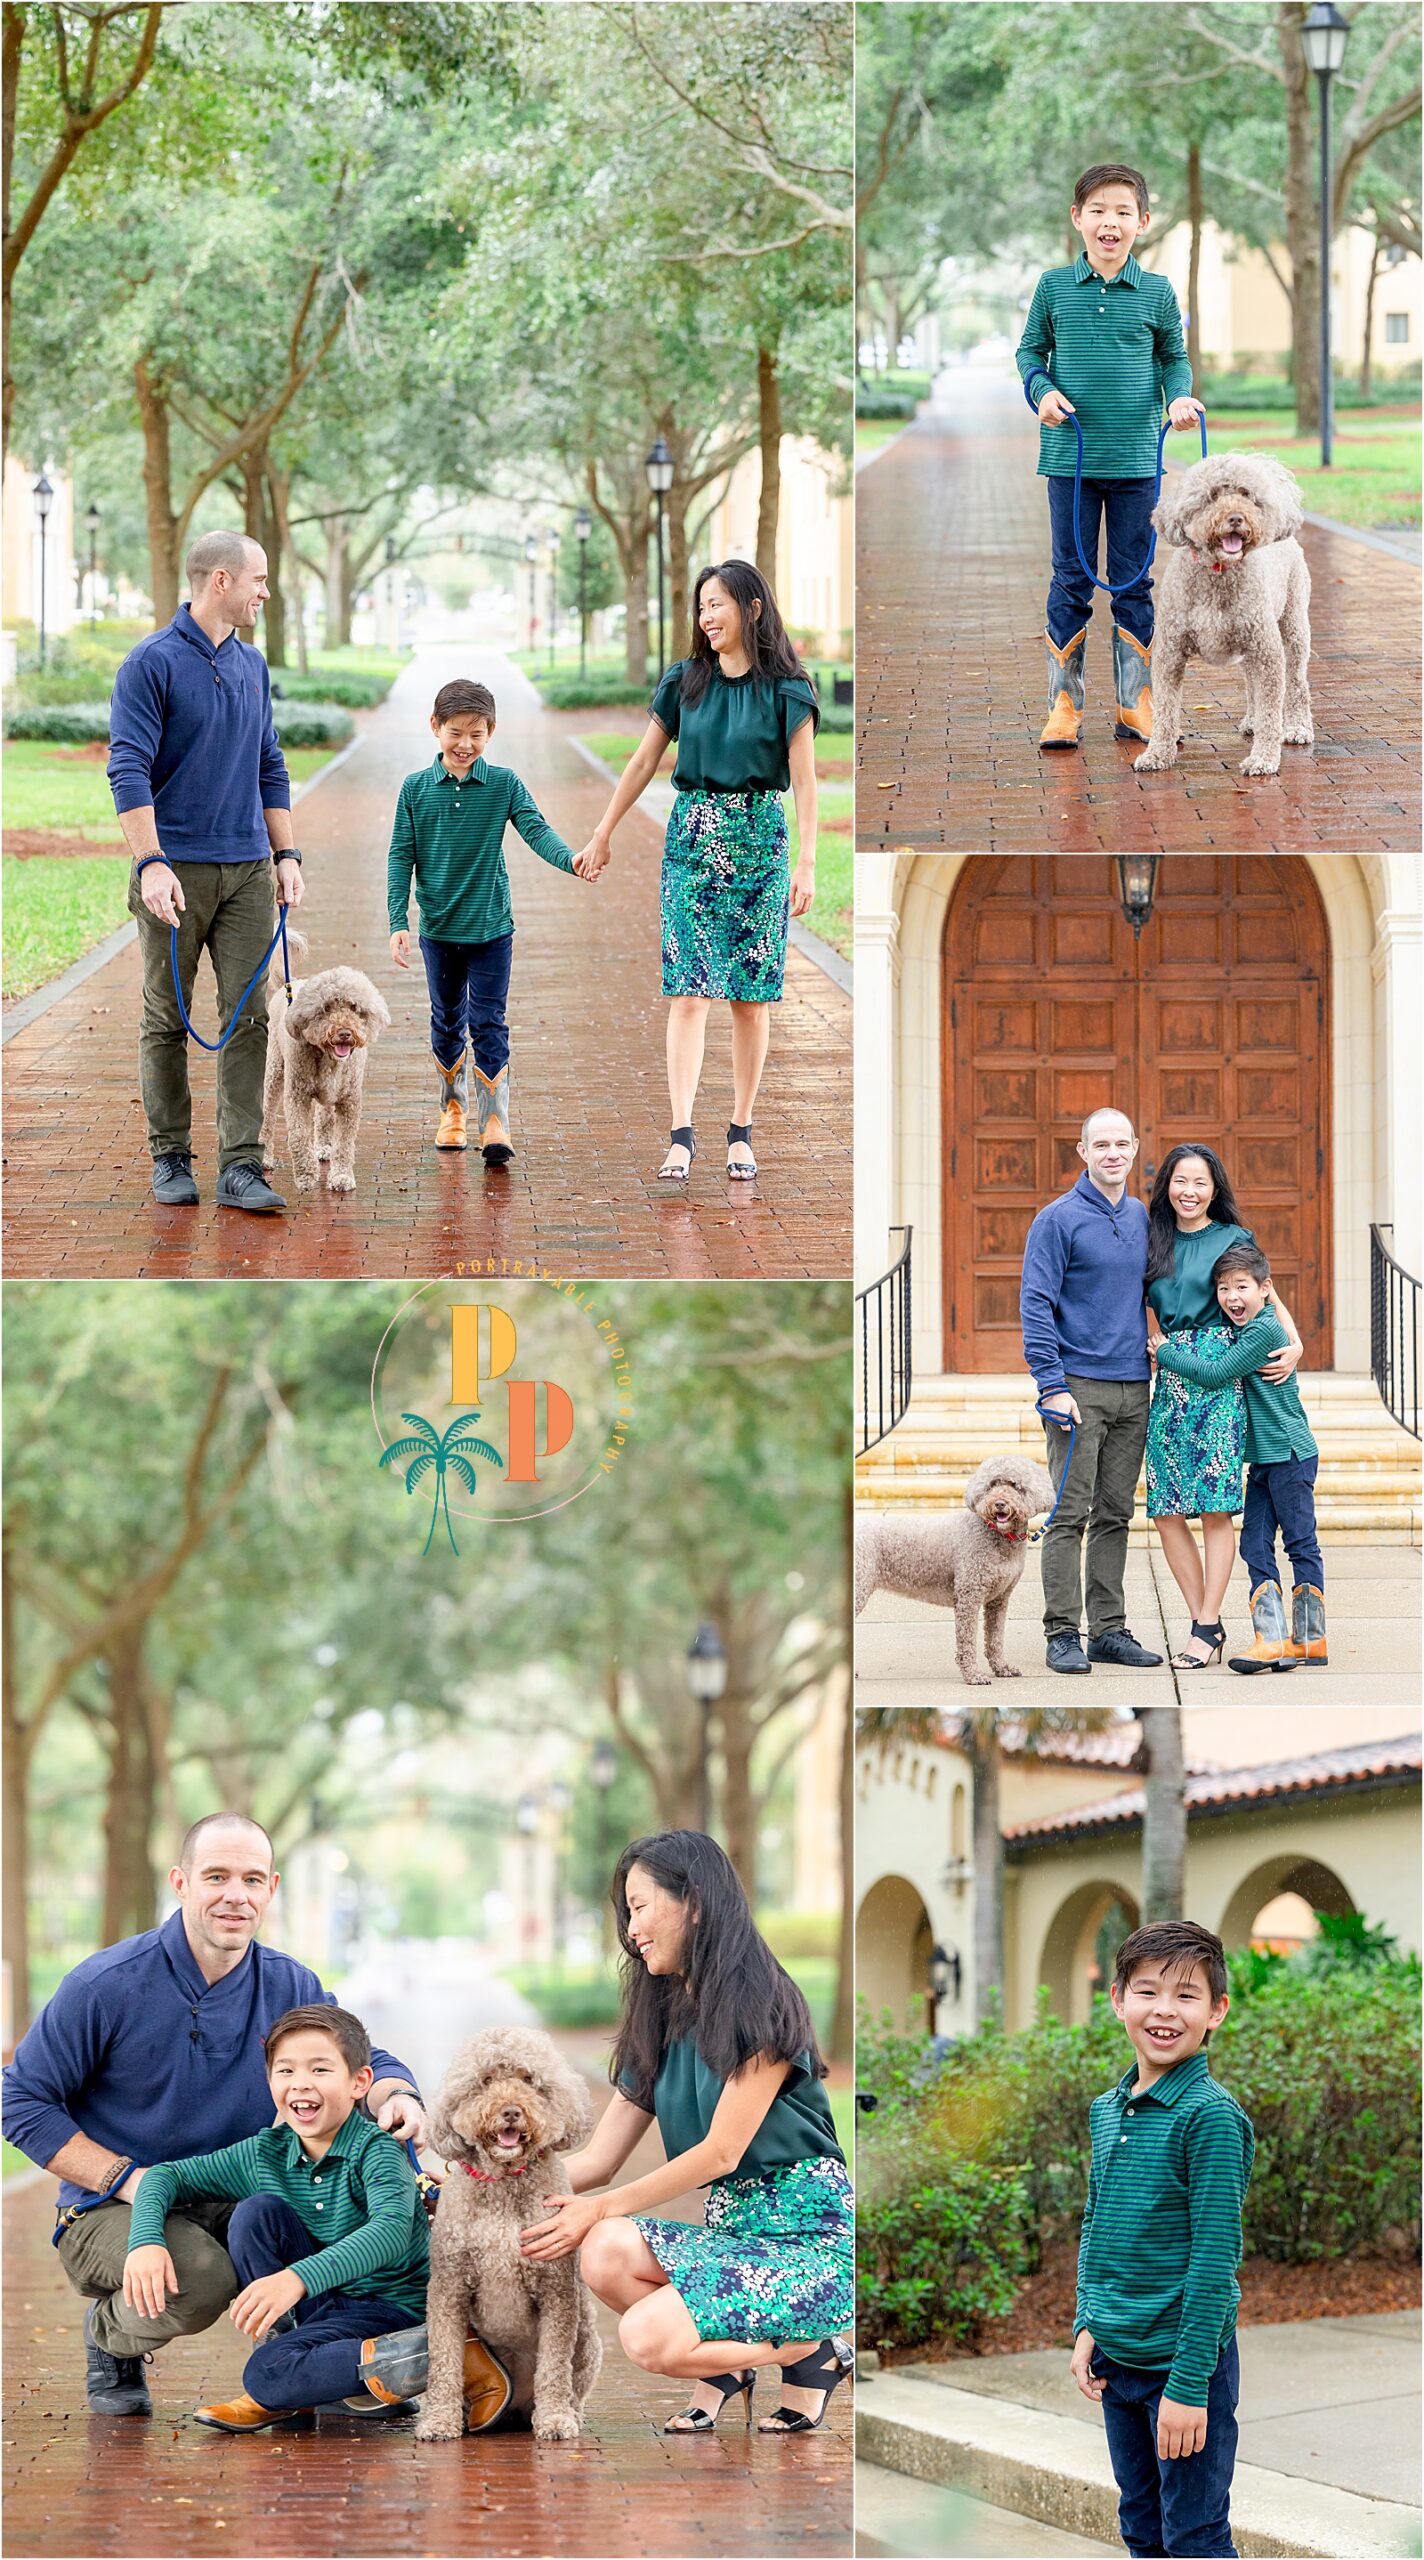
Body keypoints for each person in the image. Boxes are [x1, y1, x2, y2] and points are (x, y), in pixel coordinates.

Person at [1, 1814, 426, 2417]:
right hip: (112, 2203)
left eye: (252, 1880)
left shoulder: (288, 1983)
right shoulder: (104, 1985)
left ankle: (319, 2364)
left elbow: (361, 2058)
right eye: (217, 1876)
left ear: (271, 1889)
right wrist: (123, 2177)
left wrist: (397, 2096)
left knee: (320, 2208)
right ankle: (110, 2336)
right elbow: (18, 2100)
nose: (236, 1895)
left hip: (232, 2185)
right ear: (180, 1882)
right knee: (200, 2277)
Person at [519, 1831, 853, 2436]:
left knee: (645, 2336)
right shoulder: (660, 2015)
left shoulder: (764, 2004)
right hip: (735, 2240)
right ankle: (732, 2363)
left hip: (806, 2247)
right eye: (626, 1914)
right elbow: (597, 2161)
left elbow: (721, 2153)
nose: (631, 1930)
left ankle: (814, 2348)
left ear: (694, 1902)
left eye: (640, 1907)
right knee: (604, 2250)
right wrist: (488, 2184)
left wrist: (600, 2208)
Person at [122, 2003, 501, 2433]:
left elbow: (391, 2231)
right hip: (328, 2305)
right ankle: (304, 2391)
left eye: (320, 2069)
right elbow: (165, 2177)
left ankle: (450, 2353)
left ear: (359, 2082)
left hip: (393, 2309)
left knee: (265, 2374)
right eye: (285, 2071)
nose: (301, 2083)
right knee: (256, 2215)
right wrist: (146, 2241)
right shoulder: (266, 2151)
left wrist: (295, 2279)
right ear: (269, 2081)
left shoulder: (376, 2149)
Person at [576, 562, 818, 1182]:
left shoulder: (789, 690)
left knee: (750, 1000)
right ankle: (681, 1135)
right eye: (702, 607)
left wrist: (808, 861)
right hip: (692, 844)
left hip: (761, 846)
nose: (707, 617)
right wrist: (603, 832)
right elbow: (642, 762)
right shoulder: (684, 682)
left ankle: (741, 1131)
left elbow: (806, 781)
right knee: (688, 992)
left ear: (752, 608)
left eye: (718, 605)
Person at [109, 531, 301, 1214]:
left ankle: (242, 1166)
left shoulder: (252, 664)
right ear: (221, 580)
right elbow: (127, 766)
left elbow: (269, 762)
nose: (265, 592)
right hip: (175, 873)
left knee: (250, 1017)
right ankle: (170, 1156)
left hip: (248, 870)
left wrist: (286, 855)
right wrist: (151, 862)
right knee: (167, 1017)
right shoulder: (150, 663)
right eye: (259, 579)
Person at [1071, 1921, 1255, 2560]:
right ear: (1118, 2000)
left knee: (1194, 2536)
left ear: (1216, 2011)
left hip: (1183, 2365)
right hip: (1116, 2359)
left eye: (1187, 1995)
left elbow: (1214, 2262)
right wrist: (1088, 2322)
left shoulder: (1211, 2117)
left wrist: (1187, 2386)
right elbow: (1096, 2222)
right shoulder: (1107, 2109)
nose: (1165, 2011)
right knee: (1141, 2526)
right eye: (1148, 1991)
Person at [1015, 164, 1204, 752]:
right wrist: (1042, 391)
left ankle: (1135, 703)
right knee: (1070, 580)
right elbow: (1029, 352)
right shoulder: (1053, 287)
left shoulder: (1157, 291)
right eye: (1098, 210)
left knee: (1133, 583)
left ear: (1142, 222)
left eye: (1123, 212)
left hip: (1136, 463)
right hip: (1070, 461)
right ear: (1078, 218)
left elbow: (1174, 358)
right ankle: (1063, 707)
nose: (1110, 223)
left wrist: (1179, 397)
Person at [387, 677, 596, 1166]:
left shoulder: (503, 784)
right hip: (438, 929)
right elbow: (401, 856)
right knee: (446, 1020)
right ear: (435, 727)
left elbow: (536, 830)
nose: (465, 744)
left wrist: (571, 860)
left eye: (476, 735)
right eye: (456, 733)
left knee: (488, 1021)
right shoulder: (415, 789)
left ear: (491, 732)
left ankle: (495, 1121)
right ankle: (452, 1111)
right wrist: (398, 920)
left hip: (491, 928)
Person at [1144, 1147, 1304, 1667]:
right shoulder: (1152, 1237)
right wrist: (1153, 1347)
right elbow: (1139, 1302)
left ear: (1215, 1189)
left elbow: (1265, 1293)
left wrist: (1296, 1341)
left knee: (1215, 1508)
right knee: (1166, 1511)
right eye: (1180, 1181)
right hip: (1171, 1380)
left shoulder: (1233, 1238)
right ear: (1167, 1185)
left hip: (1219, 1377)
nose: (1189, 1192)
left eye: (1200, 1182)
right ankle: (1206, 1625)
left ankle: (1204, 1624)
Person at [1019, 1107, 1165, 1676]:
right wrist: (1051, 1384)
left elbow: (1156, 1291)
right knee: (1068, 1514)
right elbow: (1036, 1302)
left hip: (1134, 1386)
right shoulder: (1056, 1220)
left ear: (1134, 1149)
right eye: (1100, 1145)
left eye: (1121, 1144)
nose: (1112, 1154)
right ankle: (1062, 1633)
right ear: (1082, 1152)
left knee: (1115, 1513)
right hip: (1077, 1388)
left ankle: (1108, 1631)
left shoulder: (1140, 1216)